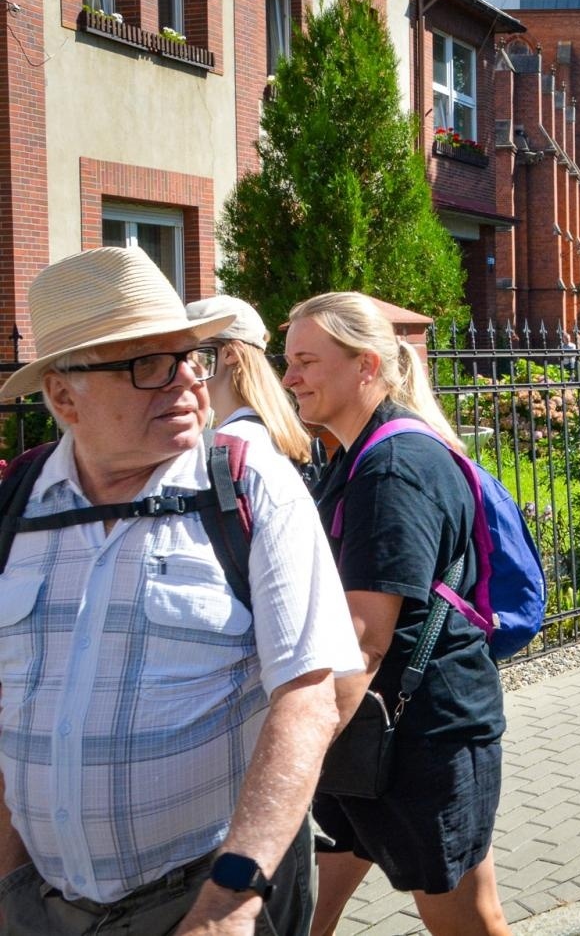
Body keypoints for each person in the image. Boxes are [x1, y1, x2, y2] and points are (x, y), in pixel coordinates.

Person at [0, 247, 359, 935]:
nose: (189, 383)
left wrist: (230, 897)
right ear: (63, 395)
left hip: (206, 898)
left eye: (190, 357)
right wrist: (9, 879)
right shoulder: (18, 504)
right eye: (148, 365)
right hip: (38, 906)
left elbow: (310, 696)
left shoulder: (248, 483)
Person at [282, 293, 513, 936]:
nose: (289, 377)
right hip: (373, 732)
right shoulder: (353, 456)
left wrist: (293, 748)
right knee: (300, 906)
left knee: (467, 919)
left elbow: (363, 636)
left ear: (364, 367)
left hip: (418, 738)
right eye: (287, 360)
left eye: (305, 360)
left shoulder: (392, 468)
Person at [187, 295, 314, 466]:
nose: (182, 367)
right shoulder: (269, 430)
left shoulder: (233, 442)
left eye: (192, 352)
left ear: (230, 354)